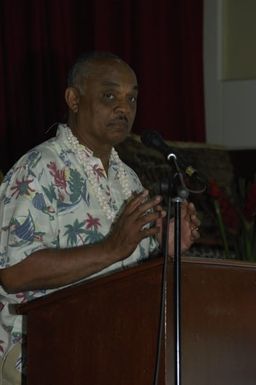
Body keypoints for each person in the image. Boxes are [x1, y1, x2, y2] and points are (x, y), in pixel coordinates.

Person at [0, 51, 200, 384]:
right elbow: (12, 273)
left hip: (112, 344)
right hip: (40, 349)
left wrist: (166, 247)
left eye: (132, 97)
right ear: (73, 99)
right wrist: (111, 248)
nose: (124, 108)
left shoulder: (128, 179)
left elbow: (130, 275)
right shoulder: (37, 169)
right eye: (110, 96)